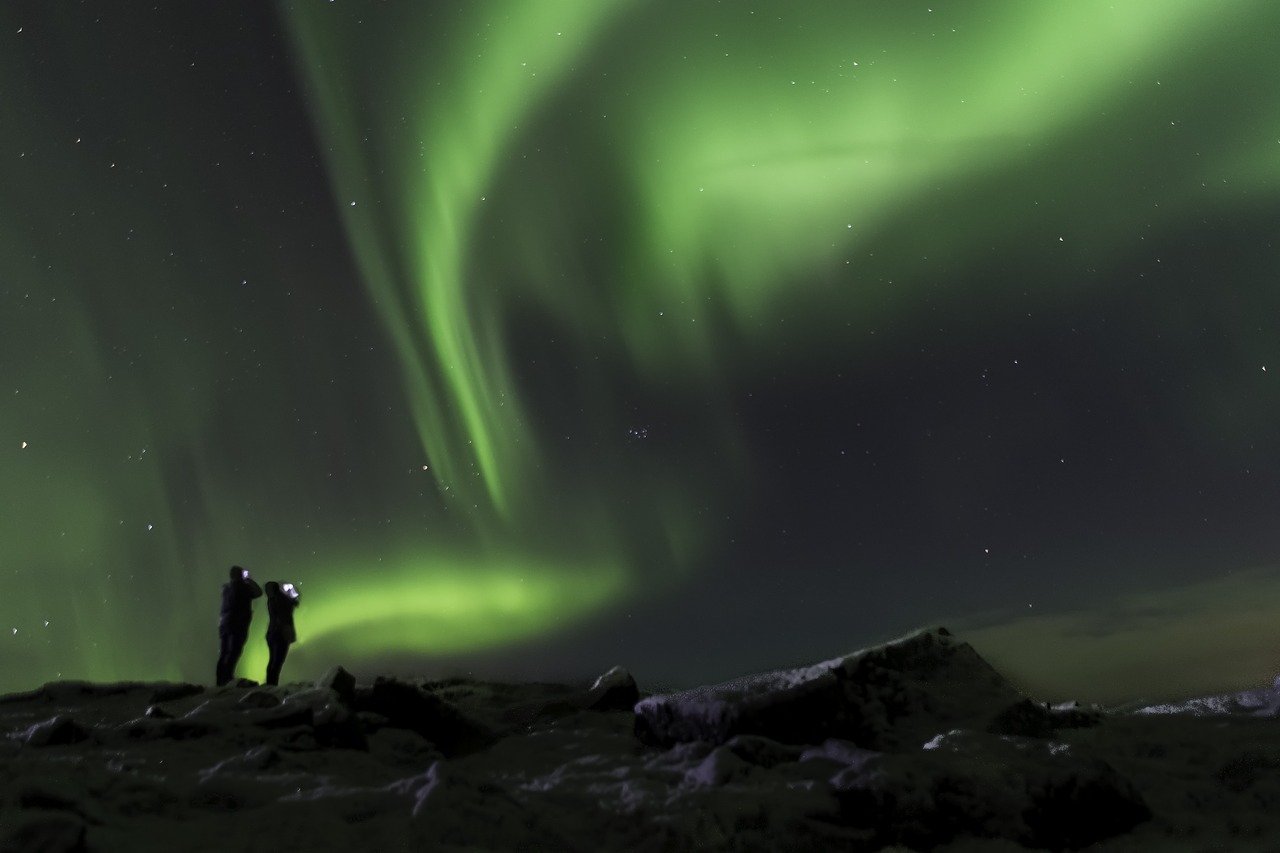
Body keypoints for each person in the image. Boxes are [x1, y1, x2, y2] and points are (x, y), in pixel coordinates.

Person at [216, 565, 262, 686]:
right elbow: (258, 592)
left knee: (224, 652)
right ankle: (227, 677)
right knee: (235, 650)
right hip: (238, 623)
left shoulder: (226, 588)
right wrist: (249, 580)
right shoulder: (243, 587)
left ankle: (220, 679)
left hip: (224, 623)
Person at [264, 580, 300, 686]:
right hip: (281, 634)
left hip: (273, 633)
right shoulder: (283, 599)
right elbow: (295, 602)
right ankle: (272, 683)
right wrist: (292, 591)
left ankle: (270, 683)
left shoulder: (271, 600)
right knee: (278, 661)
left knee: (273, 661)